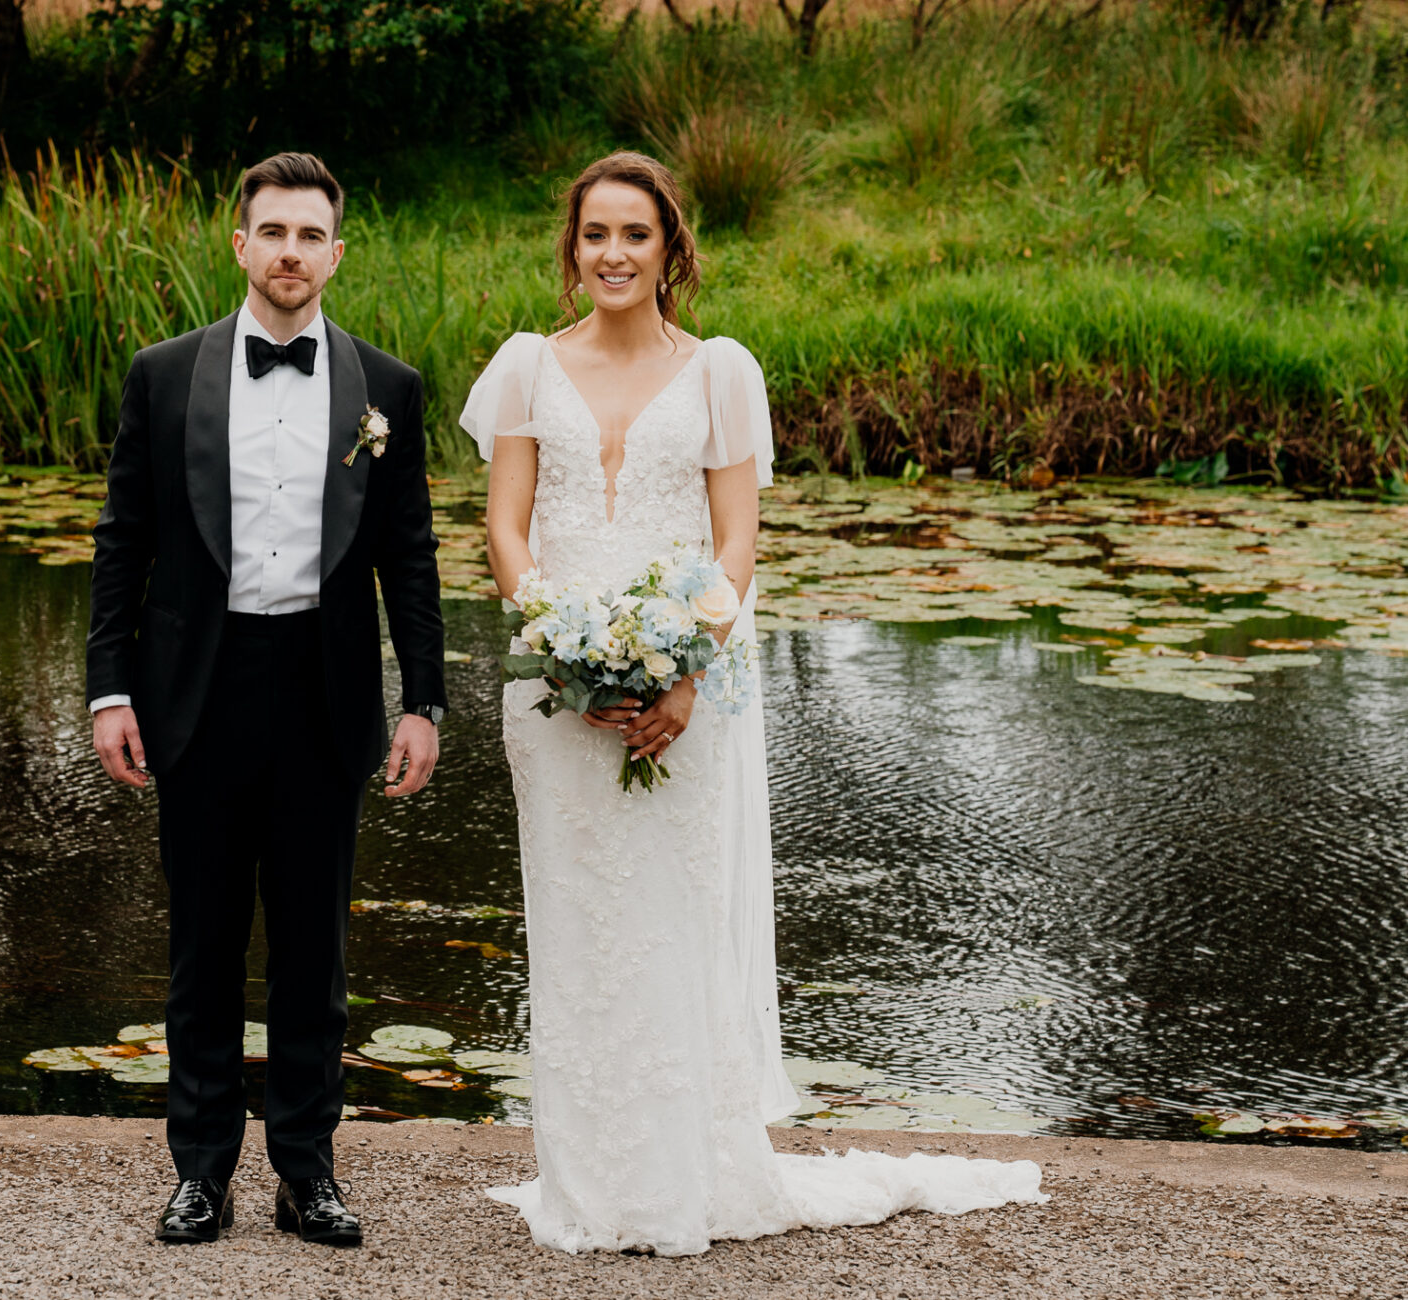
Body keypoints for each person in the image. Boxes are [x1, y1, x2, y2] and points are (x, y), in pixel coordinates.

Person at [462, 151, 1045, 1256]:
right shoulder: (528, 365)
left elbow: (736, 539)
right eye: (595, 235)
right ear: (570, 247)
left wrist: (680, 671)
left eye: (635, 235)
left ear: (671, 249)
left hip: (693, 689)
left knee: (673, 923)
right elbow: (507, 527)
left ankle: (683, 1176)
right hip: (560, 693)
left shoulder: (723, 369)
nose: (613, 255)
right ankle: (590, 1182)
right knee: (583, 927)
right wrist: (561, 644)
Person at [87, 151, 447, 1248]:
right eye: (273, 231)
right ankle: (201, 1173)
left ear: (337, 253)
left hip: (326, 695)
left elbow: (411, 557)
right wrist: (109, 688)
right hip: (194, 692)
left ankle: (308, 1173)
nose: (291, 251)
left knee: (313, 953)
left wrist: (423, 699)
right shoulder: (164, 373)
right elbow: (123, 546)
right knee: (201, 948)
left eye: (311, 234)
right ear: (239, 244)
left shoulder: (387, 388)